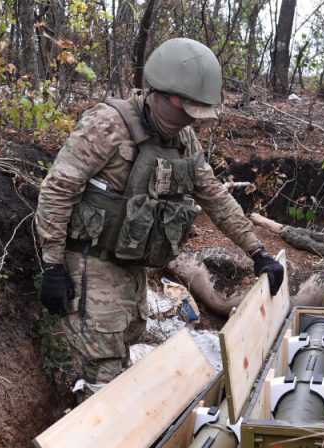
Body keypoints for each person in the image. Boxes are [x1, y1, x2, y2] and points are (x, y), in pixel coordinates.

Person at [35, 37, 285, 390]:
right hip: (91, 262)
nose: (189, 122)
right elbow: (58, 190)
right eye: (185, 111)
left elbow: (214, 195)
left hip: (133, 265)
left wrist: (257, 252)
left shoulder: (183, 141)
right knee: (103, 369)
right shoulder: (107, 125)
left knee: (127, 342)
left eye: (195, 116)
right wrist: (53, 266)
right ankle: (95, 437)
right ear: (162, 94)